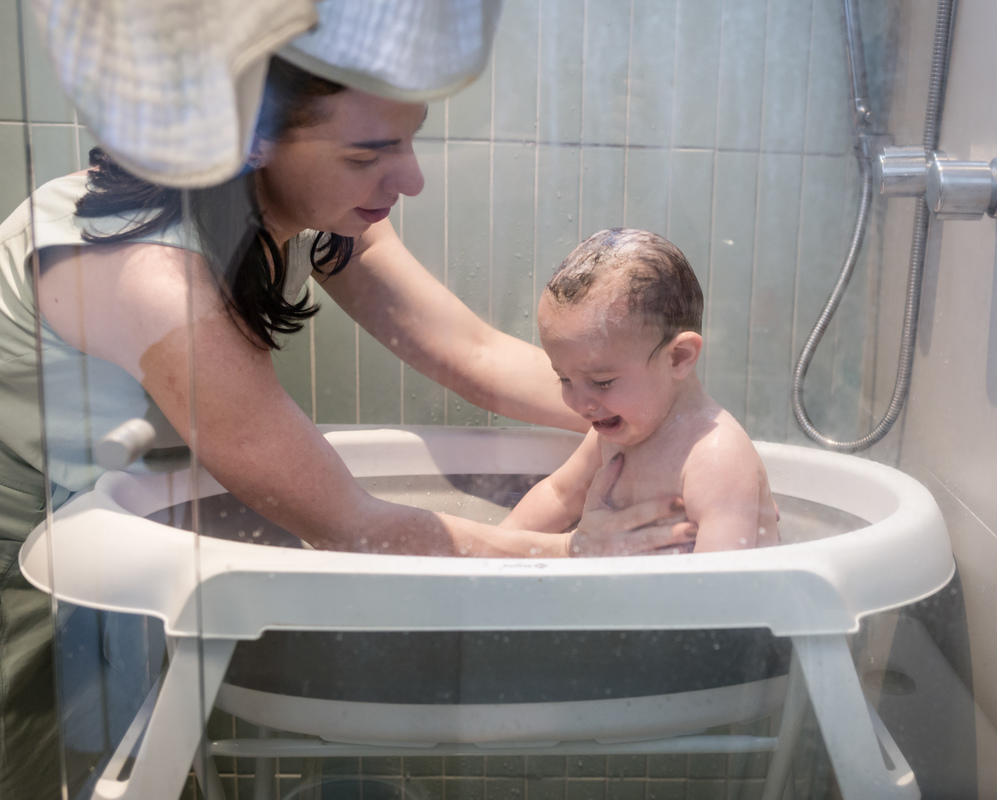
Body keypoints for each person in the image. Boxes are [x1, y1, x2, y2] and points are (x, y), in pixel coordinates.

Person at [0, 59, 695, 798]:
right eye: (368, 154)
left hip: (153, 520)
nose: (411, 179)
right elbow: (346, 521)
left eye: (408, 140)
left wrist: (673, 413)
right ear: (253, 137)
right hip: (39, 556)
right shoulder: (142, 271)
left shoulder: (309, 216)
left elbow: (475, 357)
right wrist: (572, 553)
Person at [501, 228, 780, 552]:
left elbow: (721, 588)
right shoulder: (613, 434)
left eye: (602, 382)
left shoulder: (715, 460)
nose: (578, 403)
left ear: (678, 357)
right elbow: (560, 496)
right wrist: (488, 553)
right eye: (563, 379)